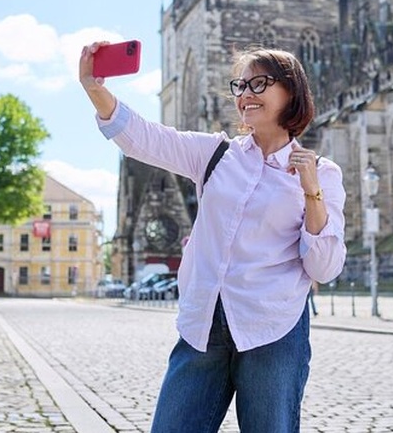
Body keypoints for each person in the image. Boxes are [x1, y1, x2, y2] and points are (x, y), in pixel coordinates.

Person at [79, 42, 347, 432]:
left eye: (259, 83)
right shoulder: (215, 154)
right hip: (203, 325)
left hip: (273, 329)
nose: (246, 95)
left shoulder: (323, 173)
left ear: (291, 90)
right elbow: (145, 138)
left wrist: (311, 191)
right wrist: (94, 87)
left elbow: (324, 267)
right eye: (240, 86)